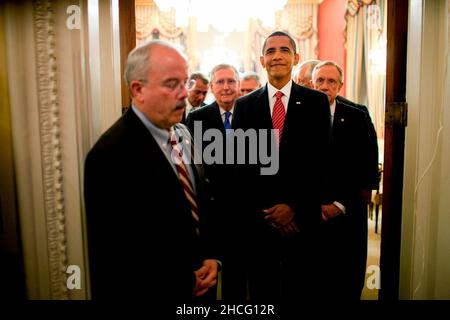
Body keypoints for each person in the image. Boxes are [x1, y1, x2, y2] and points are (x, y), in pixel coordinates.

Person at [84, 40, 218, 300]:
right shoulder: (109, 155)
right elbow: (117, 250)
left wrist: (212, 255)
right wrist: (181, 279)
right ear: (138, 89)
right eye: (171, 84)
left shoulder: (183, 133)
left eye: (185, 82)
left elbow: (202, 203)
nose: (183, 93)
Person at [233, 31, 331, 300]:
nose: (277, 56)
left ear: (296, 58)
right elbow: (243, 169)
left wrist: (293, 208)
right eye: (271, 51)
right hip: (261, 223)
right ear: (262, 60)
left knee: (301, 291)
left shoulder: (317, 103)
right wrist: (272, 212)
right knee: (262, 291)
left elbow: (320, 164)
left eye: (284, 50)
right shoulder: (244, 106)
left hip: (302, 222)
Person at [312, 60, 376, 299]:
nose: (324, 86)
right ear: (312, 83)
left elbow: (365, 164)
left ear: (340, 85)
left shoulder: (357, 116)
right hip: (311, 214)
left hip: (346, 212)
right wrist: (311, 205)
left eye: (330, 81)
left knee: (345, 281)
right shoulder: (297, 116)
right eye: (320, 80)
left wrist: (340, 204)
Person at [185, 64, 242, 299]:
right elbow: (191, 166)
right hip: (210, 212)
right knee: (207, 281)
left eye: (231, 81)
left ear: (238, 85)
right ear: (211, 87)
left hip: (243, 213)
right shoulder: (196, 118)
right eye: (220, 82)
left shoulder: (253, 114)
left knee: (238, 282)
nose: (226, 87)